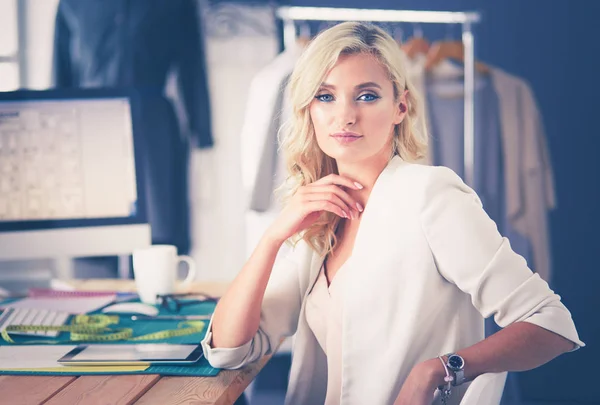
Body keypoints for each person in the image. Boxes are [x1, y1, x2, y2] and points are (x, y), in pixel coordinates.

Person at [200, 22, 584, 405]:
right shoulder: (323, 219)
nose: (345, 116)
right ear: (308, 109)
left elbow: (552, 324)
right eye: (325, 96)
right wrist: (272, 238)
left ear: (400, 107)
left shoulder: (431, 195)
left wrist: (438, 370)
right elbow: (229, 348)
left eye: (366, 96)